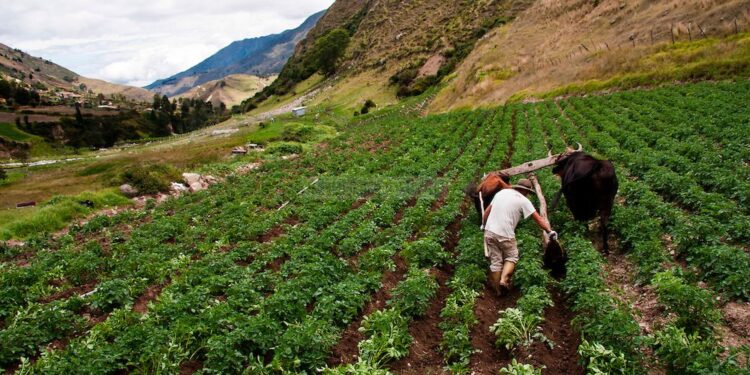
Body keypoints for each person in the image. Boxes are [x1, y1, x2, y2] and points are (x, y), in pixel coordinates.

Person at [480, 178, 557, 295]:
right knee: (512, 256)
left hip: (489, 231)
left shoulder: (501, 193)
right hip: (506, 234)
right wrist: (549, 231)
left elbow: (486, 212)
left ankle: (498, 292)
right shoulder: (524, 200)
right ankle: (503, 280)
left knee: (495, 261)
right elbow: (538, 219)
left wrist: (484, 225)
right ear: (526, 191)